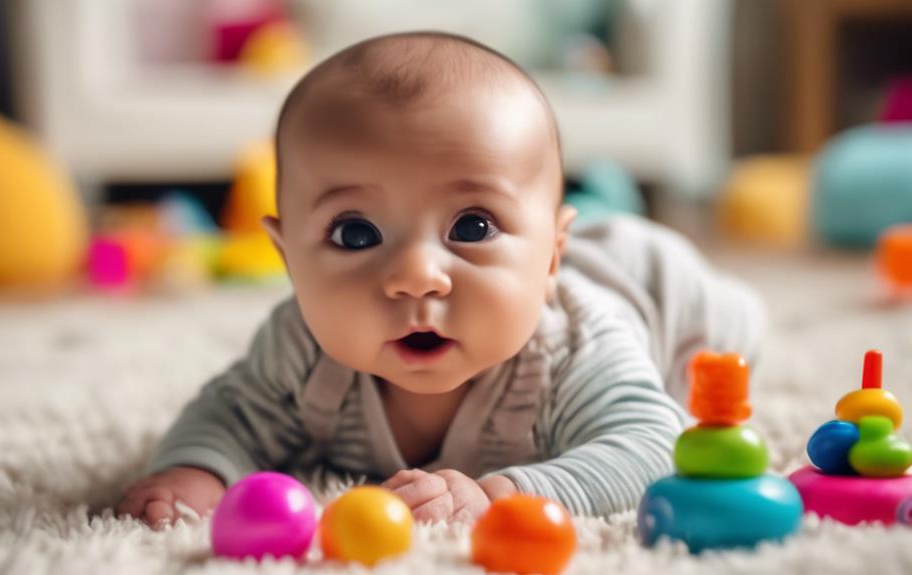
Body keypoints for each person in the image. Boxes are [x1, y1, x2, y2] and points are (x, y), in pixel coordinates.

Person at [117, 31, 763, 529]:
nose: (415, 276)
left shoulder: (572, 351)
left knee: (725, 350)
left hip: (655, 284)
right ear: (288, 260)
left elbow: (654, 446)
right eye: (356, 233)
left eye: (473, 226)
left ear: (549, 256)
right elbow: (229, 414)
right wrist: (195, 470)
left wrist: (502, 493)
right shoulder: (299, 351)